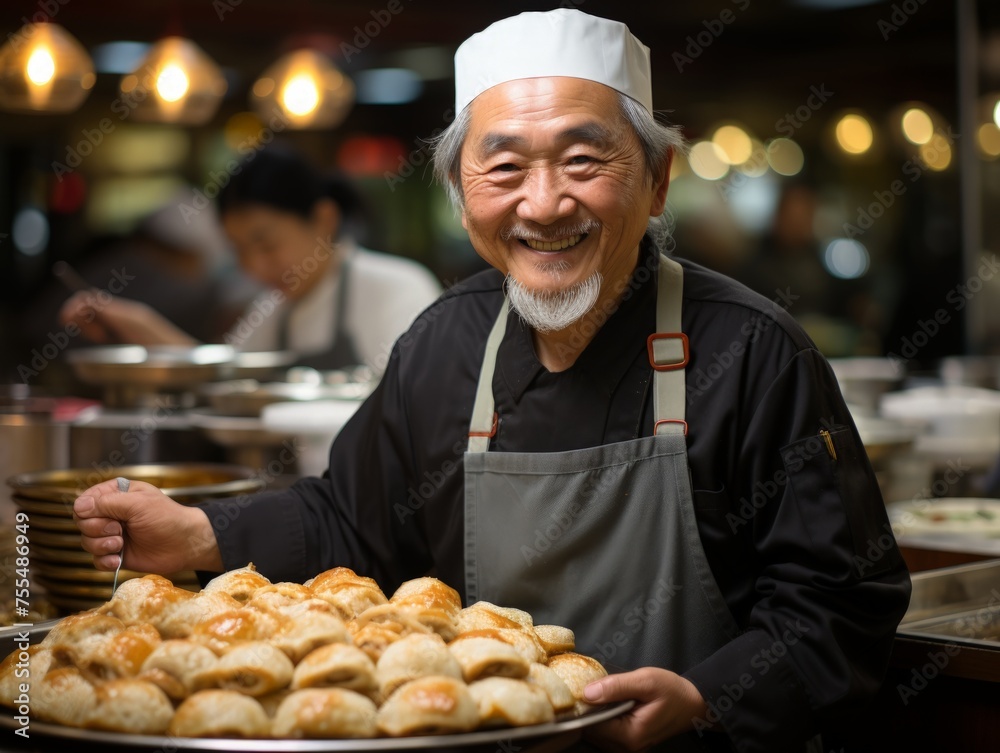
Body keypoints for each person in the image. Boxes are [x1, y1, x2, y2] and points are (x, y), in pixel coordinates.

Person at [72, 10, 910, 752]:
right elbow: (353, 517)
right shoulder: (445, 343)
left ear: (657, 180)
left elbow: (844, 604)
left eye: (585, 160)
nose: (543, 206)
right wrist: (200, 533)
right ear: (460, 191)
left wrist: (706, 697)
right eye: (504, 168)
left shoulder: (756, 353)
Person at [59, 148, 443, 371]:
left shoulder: (399, 288)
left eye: (267, 244)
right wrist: (137, 325)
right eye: (239, 250)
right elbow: (221, 374)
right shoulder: (274, 308)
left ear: (324, 219)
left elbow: (417, 414)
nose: (255, 268)